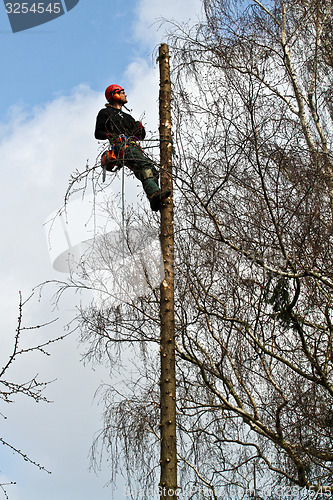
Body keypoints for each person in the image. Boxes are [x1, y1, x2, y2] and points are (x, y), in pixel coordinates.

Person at [95, 84, 171, 211]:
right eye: (122, 92)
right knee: (145, 166)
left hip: (133, 146)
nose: (125, 94)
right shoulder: (105, 113)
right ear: (115, 95)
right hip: (121, 147)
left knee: (153, 171)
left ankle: (155, 198)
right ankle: (154, 194)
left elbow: (139, 136)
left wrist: (140, 129)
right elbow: (98, 133)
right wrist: (110, 135)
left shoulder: (128, 117)